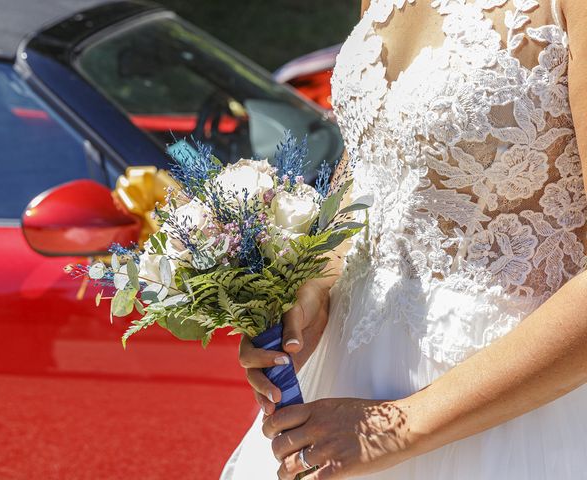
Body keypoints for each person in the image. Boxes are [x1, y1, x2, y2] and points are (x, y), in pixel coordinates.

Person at [222, 0, 587, 478]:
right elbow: (376, 169)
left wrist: (395, 428)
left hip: (512, 415)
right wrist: (317, 285)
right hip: (342, 388)